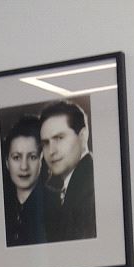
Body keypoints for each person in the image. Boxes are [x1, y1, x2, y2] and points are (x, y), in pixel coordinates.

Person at [38, 101, 96, 242]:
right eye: (45, 143)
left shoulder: (91, 186)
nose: (51, 151)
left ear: (83, 136)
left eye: (59, 138)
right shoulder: (68, 186)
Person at [2, 115, 47, 247]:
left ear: (41, 160)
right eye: (16, 157)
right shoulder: (3, 207)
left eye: (32, 157)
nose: (24, 166)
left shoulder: (54, 205)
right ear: (7, 162)